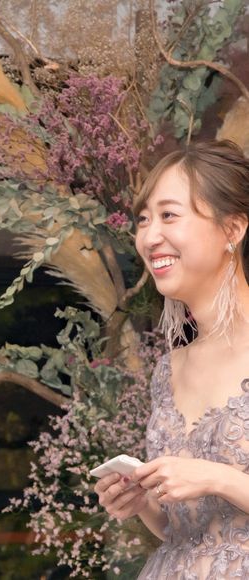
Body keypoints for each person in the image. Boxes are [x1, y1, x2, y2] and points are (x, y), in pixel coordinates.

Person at [94, 140, 249, 578]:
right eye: (143, 220)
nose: (149, 237)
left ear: (233, 228)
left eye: (169, 215)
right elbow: (183, 530)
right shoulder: (170, 368)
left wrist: (217, 478)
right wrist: (143, 502)